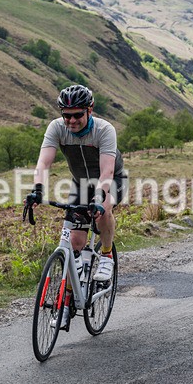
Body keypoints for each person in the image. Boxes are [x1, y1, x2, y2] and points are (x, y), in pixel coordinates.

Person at [26, 85, 126, 322]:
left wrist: (100, 200)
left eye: (77, 115)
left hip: (111, 180)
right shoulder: (56, 128)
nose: (71, 120)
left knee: (104, 210)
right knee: (74, 243)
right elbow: (43, 163)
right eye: (66, 115)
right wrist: (37, 190)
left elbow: (107, 171)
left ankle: (106, 256)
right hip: (81, 184)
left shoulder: (104, 130)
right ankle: (67, 305)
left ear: (90, 110)